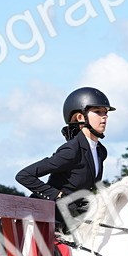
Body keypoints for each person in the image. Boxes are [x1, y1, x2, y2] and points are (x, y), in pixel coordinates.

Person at [15, 87, 115, 230]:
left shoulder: (101, 151)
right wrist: (59, 196)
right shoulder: (71, 150)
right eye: (98, 112)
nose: (104, 116)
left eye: (105, 112)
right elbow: (24, 176)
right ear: (81, 117)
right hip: (45, 220)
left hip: (72, 222)